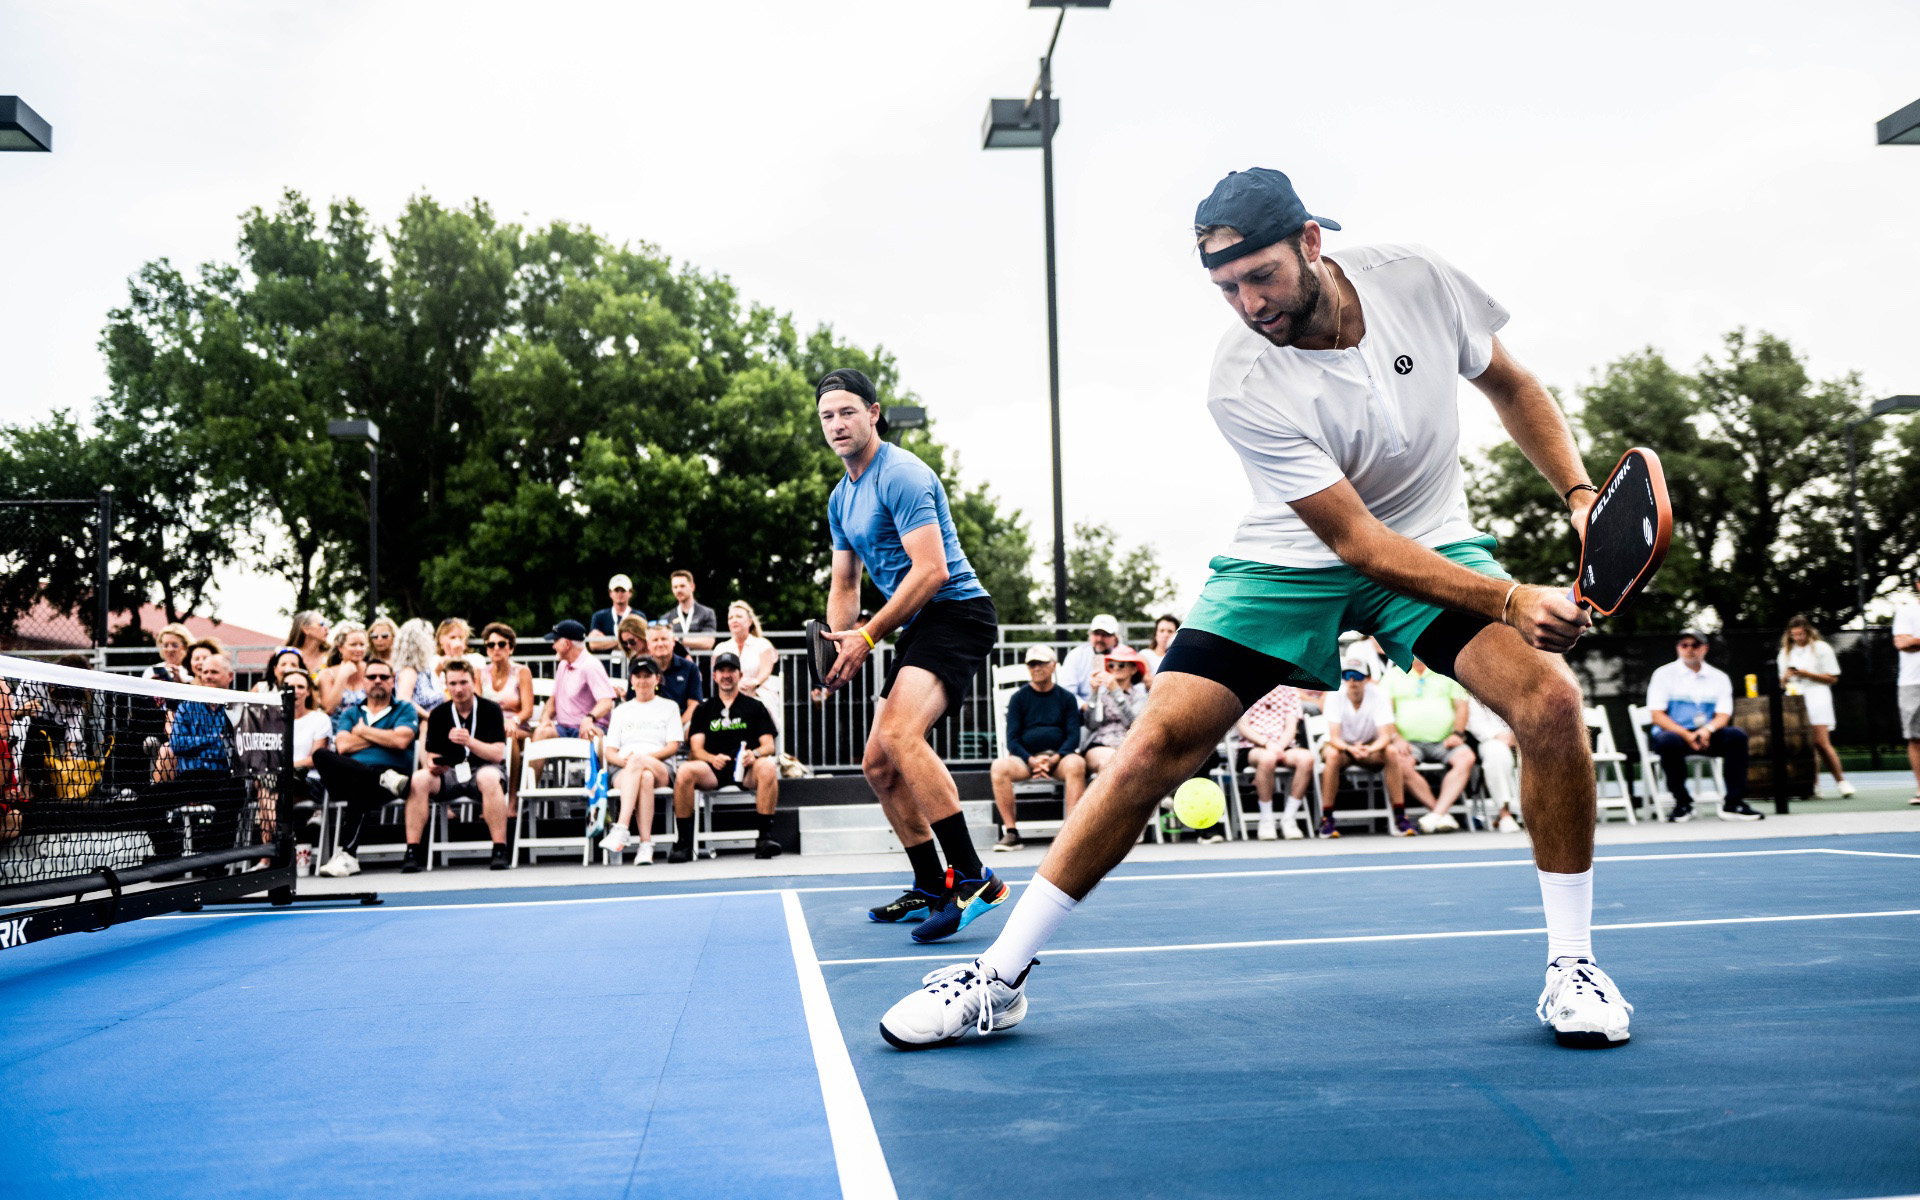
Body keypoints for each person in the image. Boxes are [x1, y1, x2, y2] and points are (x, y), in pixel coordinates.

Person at [880, 168, 1633, 1051]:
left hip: (1431, 535)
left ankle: (1573, 967)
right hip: (1291, 558)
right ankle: (997, 978)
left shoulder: (1417, 278)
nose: (1249, 304)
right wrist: (1510, 597)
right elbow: (1355, 544)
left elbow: (1511, 384)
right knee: (1153, 747)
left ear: (1311, 242)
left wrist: (1580, 495)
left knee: (1551, 704)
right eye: (1227, 288)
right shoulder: (1240, 380)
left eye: (1261, 276)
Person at [813, 366, 1007, 943]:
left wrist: (868, 636)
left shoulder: (902, 475)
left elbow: (932, 571)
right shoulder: (841, 498)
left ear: (873, 414)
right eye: (827, 416)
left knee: (901, 735)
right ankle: (930, 883)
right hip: (917, 624)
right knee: (877, 765)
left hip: (957, 612)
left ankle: (973, 878)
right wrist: (838, 649)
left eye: (848, 412)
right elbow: (845, 583)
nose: (837, 424)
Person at [669, 652, 781, 861]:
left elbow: (768, 745)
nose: (726, 675)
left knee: (767, 766)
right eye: (722, 671)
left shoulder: (755, 706)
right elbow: (696, 750)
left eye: (731, 670)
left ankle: (764, 838)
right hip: (713, 769)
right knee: (684, 771)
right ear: (714, 676)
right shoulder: (703, 709)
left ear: (740, 675)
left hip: (746, 768)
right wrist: (712, 758)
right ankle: (683, 843)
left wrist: (753, 754)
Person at [401, 658, 510, 872]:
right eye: (453, 684)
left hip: (483, 769)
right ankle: (412, 851)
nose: (458, 689)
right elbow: (432, 755)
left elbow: (497, 754)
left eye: (463, 682)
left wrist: (469, 742)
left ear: (473, 681)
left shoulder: (490, 709)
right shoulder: (439, 714)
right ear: (446, 685)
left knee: (490, 777)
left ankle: (500, 848)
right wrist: (433, 765)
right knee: (419, 779)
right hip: (450, 772)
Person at [313, 658, 418, 877]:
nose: (377, 680)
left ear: (393, 680)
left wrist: (362, 732)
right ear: (363, 681)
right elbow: (343, 745)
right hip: (367, 778)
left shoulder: (404, 709)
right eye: (372, 677)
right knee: (321, 755)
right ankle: (380, 776)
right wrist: (386, 736)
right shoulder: (351, 713)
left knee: (361, 784)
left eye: (383, 676)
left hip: (392, 782)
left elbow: (401, 741)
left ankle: (348, 856)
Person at [1646, 630, 1763, 822]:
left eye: (1695, 645)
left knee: (1737, 736)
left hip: (1706, 735)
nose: (1689, 649)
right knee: (1668, 741)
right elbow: (1657, 716)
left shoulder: (1719, 677)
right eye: (1684, 645)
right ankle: (1682, 803)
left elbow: (1723, 715)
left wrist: (1707, 731)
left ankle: (1734, 803)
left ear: (1705, 649)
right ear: (1678, 648)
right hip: (1675, 734)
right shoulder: (1663, 674)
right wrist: (1686, 735)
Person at [989, 645, 1087, 852]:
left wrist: (1055, 758)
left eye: (1041, 663)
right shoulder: (1018, 698)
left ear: (1053, 666)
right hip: (1026, 760)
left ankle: (1071, 833)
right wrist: (1031, 760)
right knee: (999, 767)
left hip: (1058, 759)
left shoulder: (1067, 698)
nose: (1037, 668)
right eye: (1032, 664)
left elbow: (1073, 737)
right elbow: (1012, 739)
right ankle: (1011, 833)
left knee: (1077, 763)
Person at [594, 658, 684, 864]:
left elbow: (672, 746)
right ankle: (645, 845)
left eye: (647, 676)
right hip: (625, 769)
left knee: (641, 765)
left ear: (657, 679)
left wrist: (642, 759)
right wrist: (627, 762)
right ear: (631, 680)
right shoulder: (620, 711)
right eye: (638, 676)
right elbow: (610, 752)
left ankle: (621, 827)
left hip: (660, 766)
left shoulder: (669, 707)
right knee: (644, 777)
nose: (642, 681)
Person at [1383, 660, 1477, 833]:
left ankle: (1436, 815)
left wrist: (1457, 733)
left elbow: (1462, 707)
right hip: (1407, 743)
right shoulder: (1391, 676)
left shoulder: (1447, 671)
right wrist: (1396, 738)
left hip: (1445, 741)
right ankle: (1440, 814)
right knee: (1399, 763)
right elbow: (1384, 712)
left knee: (1467, 757)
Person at [1318, 660, 1407, 838]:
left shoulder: (1379, 694)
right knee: (1332, 755)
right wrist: (1350, 748)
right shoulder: (1334, 695)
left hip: (1369, 747)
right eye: (1347, 676)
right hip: (1341, 747)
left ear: (1367, 678)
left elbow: (1385, 736)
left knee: (1391, 752)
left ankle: (1400, 815)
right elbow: (1334, 737)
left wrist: (1369, 749)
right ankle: (1327, 818)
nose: (1352, 681)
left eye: (1357, 676)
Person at [1777, 615, 1851, 798]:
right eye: (1794, 635)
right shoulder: (1785, 652)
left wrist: (1808, 674)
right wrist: (1786, 677)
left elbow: (1833, 678)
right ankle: (1813, 785)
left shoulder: (1822, 648)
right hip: (1794, 699)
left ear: (1808, 632)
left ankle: (1841, 782)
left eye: (1801, 634)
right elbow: (1781, 683)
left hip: (1818, 696)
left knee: (1821, 743)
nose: (1798, 638)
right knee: (1804, 746)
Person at [1235, 683, 1315, 840]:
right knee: (1267, 758)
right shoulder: (1246, 686)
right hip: (1252, 746)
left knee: (1307, 758)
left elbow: (1291, 726)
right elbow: (1243, 727)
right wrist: (1267, 743)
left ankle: (1289, 818)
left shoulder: (1290, 690)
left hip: (1282, 746)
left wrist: (1278, 747)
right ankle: (1266, 819)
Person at [532, 619, 617, 739]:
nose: (553, 646)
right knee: (541, 732)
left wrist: (589, 719)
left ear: (567, 644)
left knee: (590, 734)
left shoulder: (590, 665)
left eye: (556, 641)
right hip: (563, 727)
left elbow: (606, 702)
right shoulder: (563, 664)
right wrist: (545, 718)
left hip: (591, 725)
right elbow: (554, 699)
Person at [1081, 646, 1149, 785]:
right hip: (1100, 745)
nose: (1116, 668)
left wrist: (1116, 692)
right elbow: (1091, 725)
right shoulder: (1101, 694)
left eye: (1121, 665)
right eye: (1111, 665)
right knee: (1111, 762)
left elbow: (1133, 724)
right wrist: (1094, 693)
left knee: (1120, 764)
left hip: (1129, 747)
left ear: (1133, 669)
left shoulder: (1140, 698)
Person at [715, 601, 781, 744]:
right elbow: (716, 675)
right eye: (731, 617)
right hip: (729, 692)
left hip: (759, 691)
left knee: (760, 706)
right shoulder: (721, 648)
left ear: (750, 621)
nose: (734, 620)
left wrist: (754, 683)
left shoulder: (763, 644)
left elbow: (766, 670)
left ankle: (766, 744)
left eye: (739, 616)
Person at [1467, 696, 1522, 832]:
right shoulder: (1478, 690)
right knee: (1496, 753)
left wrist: (1520, 736)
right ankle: (1505, 814)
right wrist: (1499, 736)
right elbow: (1476, 723)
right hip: (1492, 739)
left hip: (1528, 737)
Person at [644, 621, 705, 728]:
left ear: (673, 642)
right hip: (648, 724)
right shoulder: (640, 669)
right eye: (655, 640)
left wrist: (677, 726)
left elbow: (694, 704)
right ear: (648, 645)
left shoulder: (690, 668)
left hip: (682, 722)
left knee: (695, 731)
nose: (660, 644)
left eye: (664, 639)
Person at [1059, 615, 1122, 704]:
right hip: (1084, 707)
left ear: (1115, 638)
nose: (1099, 639)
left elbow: (1136, 689)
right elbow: (1067, 690)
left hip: (1118, 707)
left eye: (1105, 635)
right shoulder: (1076, 655)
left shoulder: (1125, 655)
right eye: (1096, 633)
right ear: (1090, 634)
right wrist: (1084, 707)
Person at [1898, 568, 1920, 806]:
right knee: (1915, 738)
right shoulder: (1906, 611)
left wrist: (1914, 640)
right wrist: (1909, 642)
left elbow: (1910, 642)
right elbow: (1901, 643)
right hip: (1912, 683)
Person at [587, 574, 645, 662]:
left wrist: (607, 641)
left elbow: (642, 642)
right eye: (616, 590)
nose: (619, 594)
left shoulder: (638, 616)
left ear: (630, 593)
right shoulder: (599, 616)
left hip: (632, 664)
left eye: (623, 590)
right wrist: (625, 641)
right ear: (610, 593)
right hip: (606, 666)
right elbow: (593, 644)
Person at [392, 618, 443, 714]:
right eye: (430, 636)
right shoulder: (409, 671)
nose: (433, 641)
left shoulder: (425, 669)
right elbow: (403, 699)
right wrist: (428, 717)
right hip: (420, 721)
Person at [319, 624, 369, 715]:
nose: (359, 649)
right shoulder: (327, 674)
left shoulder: (371, 670)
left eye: (362, 645)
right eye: (353, 645)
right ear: (340, 648)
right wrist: (342, 676)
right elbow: (329, 709)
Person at [666, 569, 720, 654]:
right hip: (677, 662)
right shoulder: (667, 617)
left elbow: (708, 643)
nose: (678, 590)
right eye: (675, 587)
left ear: (692, 587)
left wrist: (679, 640)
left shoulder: (707, 613)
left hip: (699, 662)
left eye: (682, 586)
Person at [285, 611, 332, 677]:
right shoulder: (287, 656)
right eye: (321, 624)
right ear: (306, 629)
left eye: (327, 624)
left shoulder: (331, 656)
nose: (326, 628)